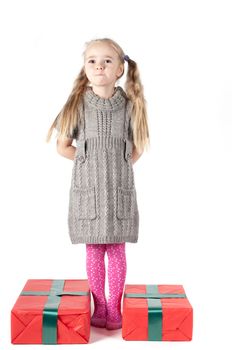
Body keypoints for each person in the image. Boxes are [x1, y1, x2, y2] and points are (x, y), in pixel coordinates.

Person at [47, 38, 150, 330]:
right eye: (92, 60)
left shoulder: (130, 106)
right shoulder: (77, 105)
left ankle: (114, 309)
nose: (99, 65)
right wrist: (88, 159)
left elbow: (138, 147)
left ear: (120, 69)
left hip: (118, 191)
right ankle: (99, 308)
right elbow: (63, 146)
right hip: (88, 191)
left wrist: (119, 164)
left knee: (116, 250)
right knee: (93, 250)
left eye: (106, 60)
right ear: (85, 67)